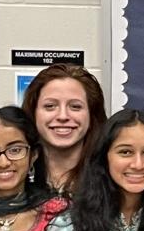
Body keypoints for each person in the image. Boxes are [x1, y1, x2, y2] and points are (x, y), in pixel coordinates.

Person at [21, 62, 107, 197]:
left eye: (75, 106)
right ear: (33, 113)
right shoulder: (12, 177)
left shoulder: (112, 180)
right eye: (50, 106)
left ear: (92, 115)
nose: (63, 116)